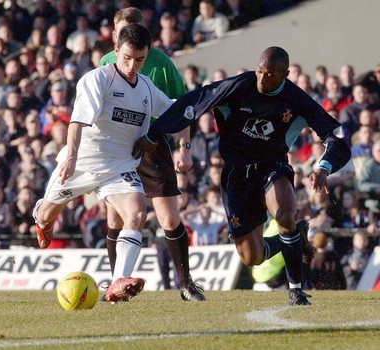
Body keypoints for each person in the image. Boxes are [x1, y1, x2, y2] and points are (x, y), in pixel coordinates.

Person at [134, 46, 352, 305]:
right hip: (236, 173)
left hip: (272, 165)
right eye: (259, 71)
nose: (261, 78)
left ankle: (296, 290)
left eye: (269, 74)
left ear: (285, 74)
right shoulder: (239, 85)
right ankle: (293, 238)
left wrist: (324, 167)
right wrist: (155, 132)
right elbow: (194, 101)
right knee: (252, 257)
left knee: (284, 214)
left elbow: (336, 135)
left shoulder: (297, 99)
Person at [32, 24, 172, 303]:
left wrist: (188, 138)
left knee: (136, 212)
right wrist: (70, 158)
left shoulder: (145, 86)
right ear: (116, 50)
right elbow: (77, 121)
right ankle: (42, 218)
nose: (133, 66)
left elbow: (174, 111)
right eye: (128, 58)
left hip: (119, 166)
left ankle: (118, 281)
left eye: (141, 59)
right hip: (83, 162)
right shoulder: (97, 79)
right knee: (47, 214)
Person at [99, 7, 205, 302]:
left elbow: (182, 107)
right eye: (122, 31)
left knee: (169, 217)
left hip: (152, 143)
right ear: (116, 36)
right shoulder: (106, 63)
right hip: (118, 147)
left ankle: (185, 284)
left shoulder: (160, 64)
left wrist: (184, 147)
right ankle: (115, 281)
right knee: (115, 218)